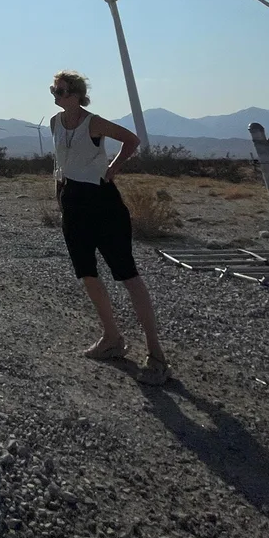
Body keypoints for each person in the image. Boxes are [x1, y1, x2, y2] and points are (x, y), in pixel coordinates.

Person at [50, 69, 169, 386]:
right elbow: (60, 161)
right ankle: (111, 337)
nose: (56, 96)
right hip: (72, 201)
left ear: (75, 93)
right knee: (86, 273)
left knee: (127, 274)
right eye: (54, 91)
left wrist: (112, 170)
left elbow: (132, 140)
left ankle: (156, 355)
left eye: (60, 91)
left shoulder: (95, 122)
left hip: (102, 201)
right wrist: (59, 193)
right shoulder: (54, 123)